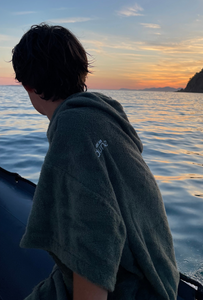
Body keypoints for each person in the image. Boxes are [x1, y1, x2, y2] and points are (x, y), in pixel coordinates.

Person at [12, 23, 179, 300]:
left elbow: (97, 237)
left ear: (28, 85)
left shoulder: (72, 131)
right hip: (161, 276)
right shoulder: (106, 113)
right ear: (82, 71)